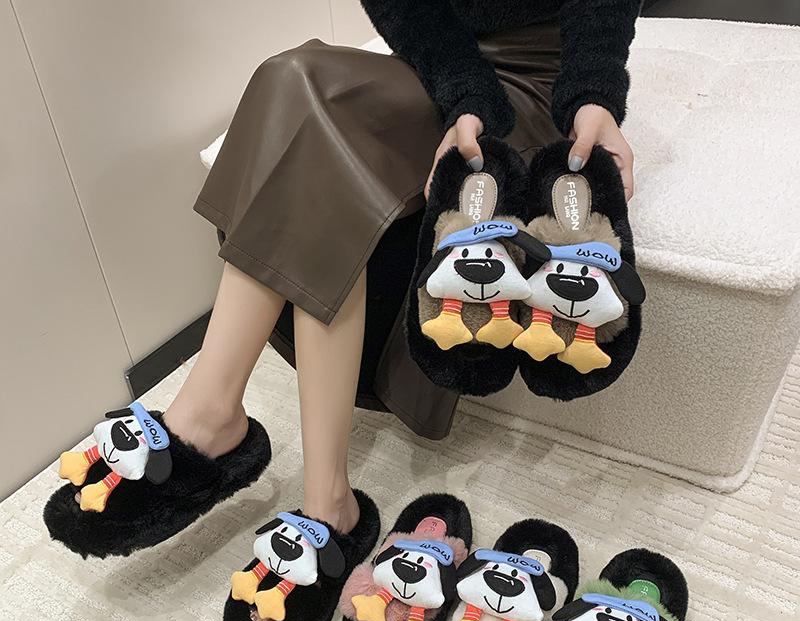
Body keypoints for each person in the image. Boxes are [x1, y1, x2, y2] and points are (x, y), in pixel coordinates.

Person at [156, 1, 639, 535]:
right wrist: (464, 95)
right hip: (439, 63)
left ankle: (319, 500)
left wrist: (593, 94)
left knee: (320, 147)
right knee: (288, 77)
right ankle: (215, 413)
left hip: (550, 72)